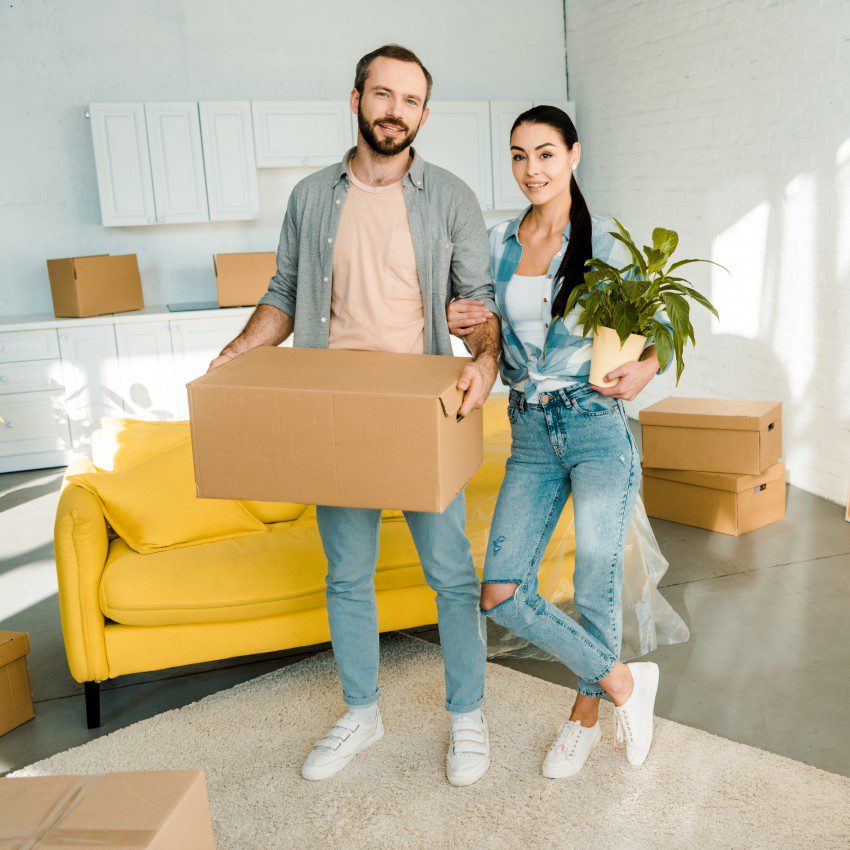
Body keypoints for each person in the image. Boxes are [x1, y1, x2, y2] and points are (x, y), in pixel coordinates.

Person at [208, 44, 501, 787]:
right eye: (382, 94)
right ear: (357, 99)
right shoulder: (312, 196)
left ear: (424, 115)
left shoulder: (453, 198)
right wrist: (241, 349)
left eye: (409, 100)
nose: (394, 110)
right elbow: (283, 291)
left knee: (451, 575)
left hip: (424, 411)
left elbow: (480, 307)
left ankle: (467, 716)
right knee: (347, 575)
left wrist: (486, 360)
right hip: (336, 410)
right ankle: (362, 713)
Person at [448, 105, 670, 777]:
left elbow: (659, 331)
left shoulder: (602, 241)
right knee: (502, 591)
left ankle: (583, 716)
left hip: (596, 423)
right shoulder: (495, 242)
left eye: (545, 154)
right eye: (519, 156)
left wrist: (645, 368)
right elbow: (487, 337)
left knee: (594, 583)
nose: (531, 170)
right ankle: (627, 683)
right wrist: (465, 327)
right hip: (530, 429)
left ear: (574, 154)